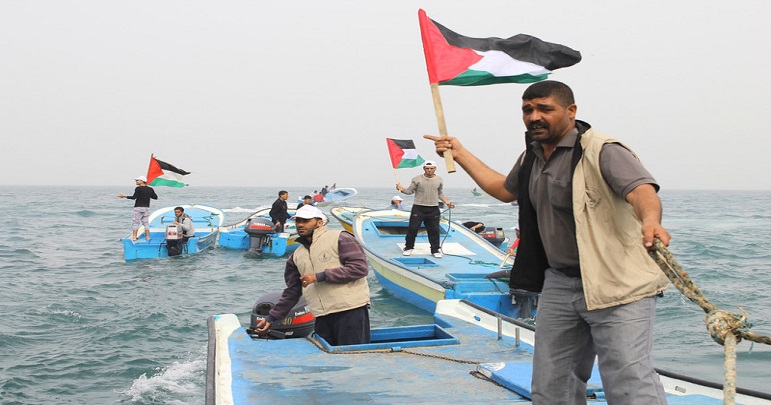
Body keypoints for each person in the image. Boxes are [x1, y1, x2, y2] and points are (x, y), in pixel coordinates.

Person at [426, 80, 670, 404]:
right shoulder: (532, 156)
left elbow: (641, 191)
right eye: (528, 110)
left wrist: (651, 221)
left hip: (618, 281)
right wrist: (459, 152)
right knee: (551, 384)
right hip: (559, 282)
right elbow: (504, 189)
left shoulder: (603, 150)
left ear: (571, 112)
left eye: (545, 109)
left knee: (628, 382)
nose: (534, 117)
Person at [254, 205, 371, 346]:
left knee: (353, 359)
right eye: (298, 221)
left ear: (319, 222)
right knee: (327, 362)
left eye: (306, 221)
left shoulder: (340, 238)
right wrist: (271, 318)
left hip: (350, 311)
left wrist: (320, 276)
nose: (300, 224)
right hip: (321, 316)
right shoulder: (296, 256)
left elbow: (359, 268)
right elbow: (292, 291)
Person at [396, 160, 455, 259]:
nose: (429, 170)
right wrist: (401, 189)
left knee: (434, 230)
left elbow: (439, 193)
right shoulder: (417, 179)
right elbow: (409, 191)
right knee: (413, 229)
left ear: (435, 169)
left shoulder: (439, 180)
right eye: (427, 168)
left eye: (431, 168)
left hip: (433, 208)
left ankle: (435, 250)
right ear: (424, 169)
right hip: (418, 208)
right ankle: (408, 248)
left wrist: (447, 202)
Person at [117, 176, 158, 241]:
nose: (136, 181)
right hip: (146, 208)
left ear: (142, 181)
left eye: (137, 180)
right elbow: (155, 197)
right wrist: (149, 192)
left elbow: (134, 197)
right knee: (146, 223)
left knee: (136, 222)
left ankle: (134, 236)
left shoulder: (138, 188)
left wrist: (124, 196)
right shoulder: (150, 189)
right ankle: (147, 237)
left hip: (138, 207)